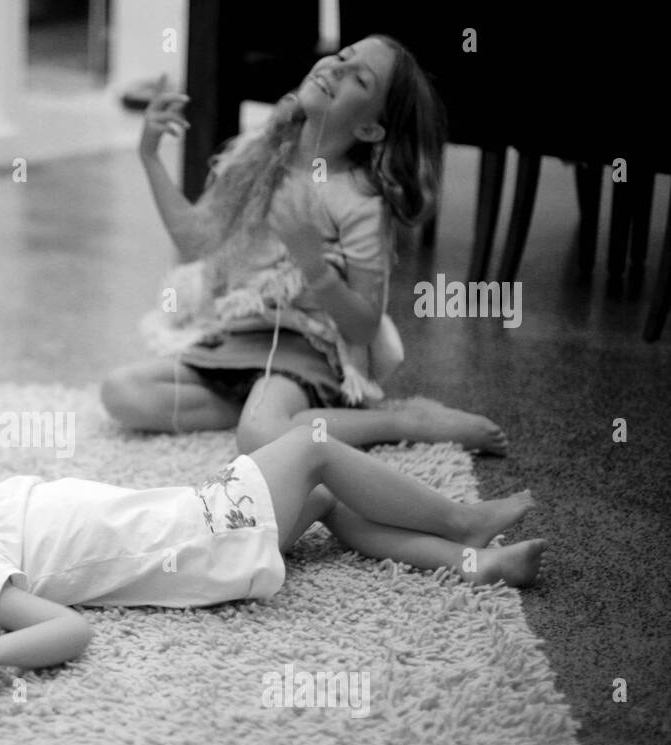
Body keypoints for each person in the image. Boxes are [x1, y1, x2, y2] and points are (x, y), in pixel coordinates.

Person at [0, 426, 545, 706]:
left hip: (197, 513)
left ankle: (470, 566)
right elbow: (70, 629)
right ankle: (462, 519)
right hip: (209, 536)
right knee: (315, 452)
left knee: (324, 508)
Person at [100, 36, 509, 456]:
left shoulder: (359, 201)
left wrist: (312, 262)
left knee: (258, 438)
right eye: (343, 56)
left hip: (305, 350)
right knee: (122, 393)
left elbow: (364, 326)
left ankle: (404, 420)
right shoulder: (256, 155)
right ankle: (267, 411)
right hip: (241, 337)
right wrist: (149, 156)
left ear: (369, 128)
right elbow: (196, 239)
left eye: (360, 80)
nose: (336, 68)